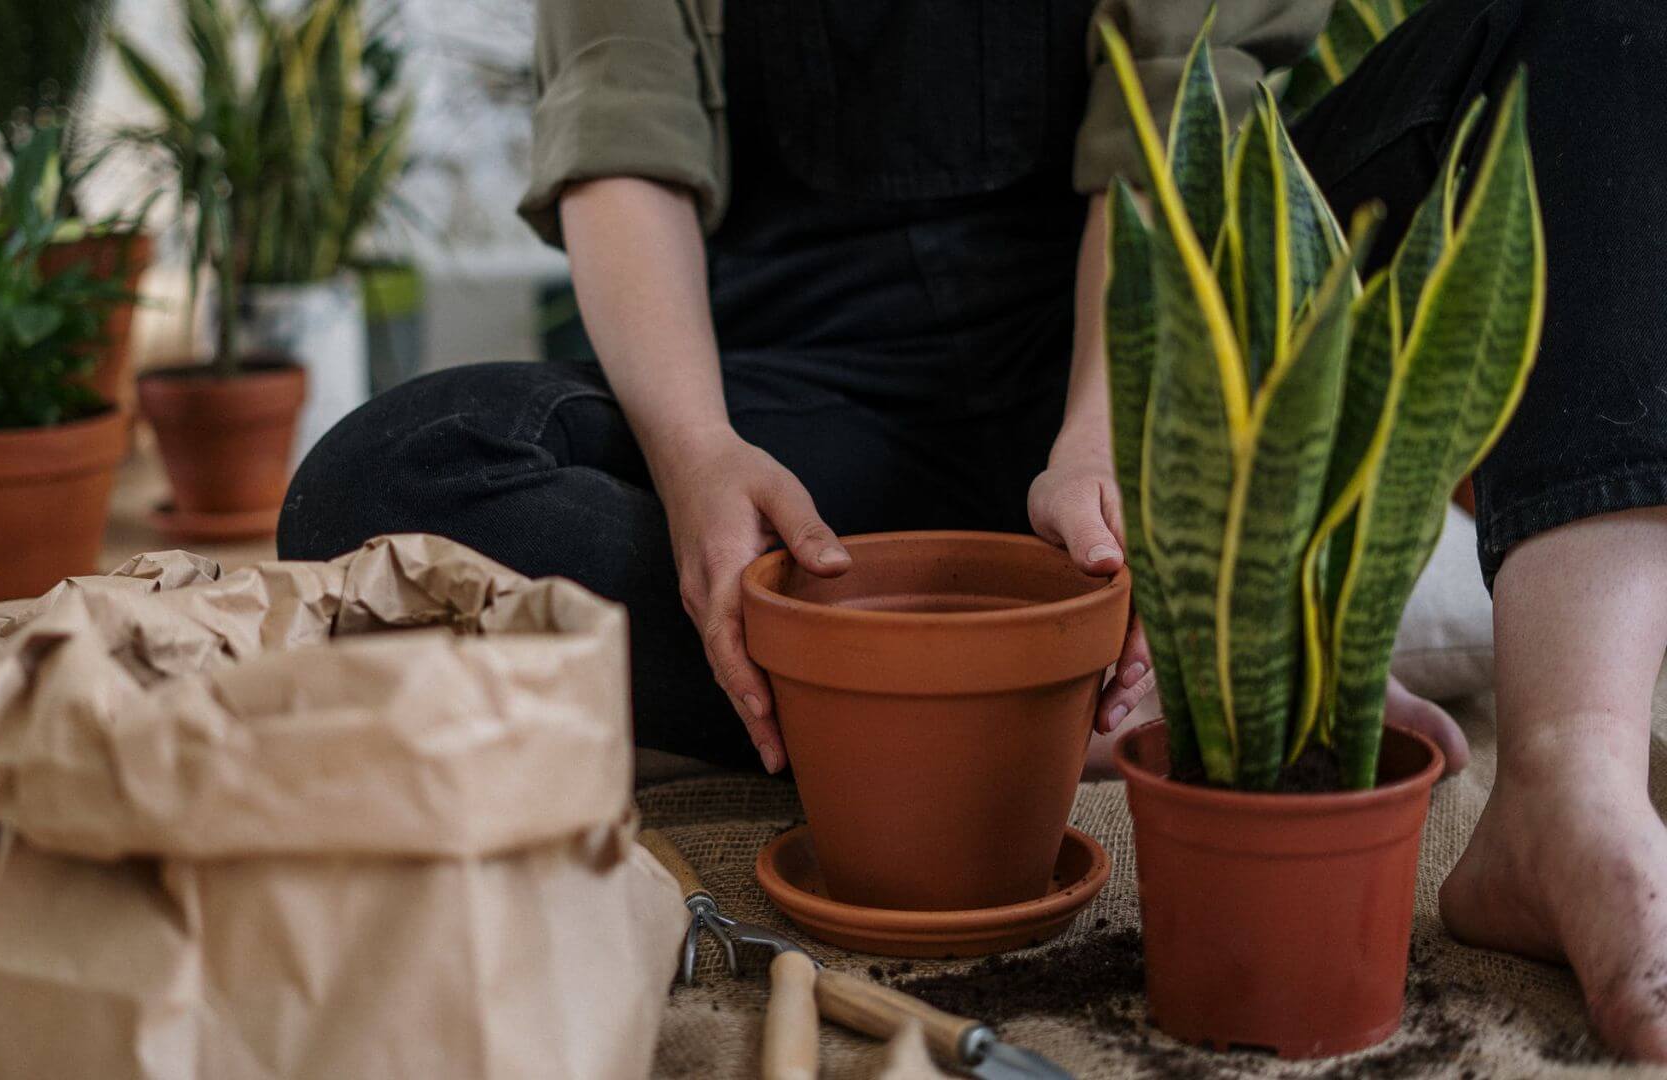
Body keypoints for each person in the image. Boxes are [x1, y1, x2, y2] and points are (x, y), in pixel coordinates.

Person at [279, 0, 1667, 1058]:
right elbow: (622, 129)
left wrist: (1111, 441)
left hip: (1153, 355)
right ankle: (1026, 685)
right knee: (380, 481)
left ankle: (1564, 783)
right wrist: (699, 459)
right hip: (796, 440)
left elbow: (1183, 110)